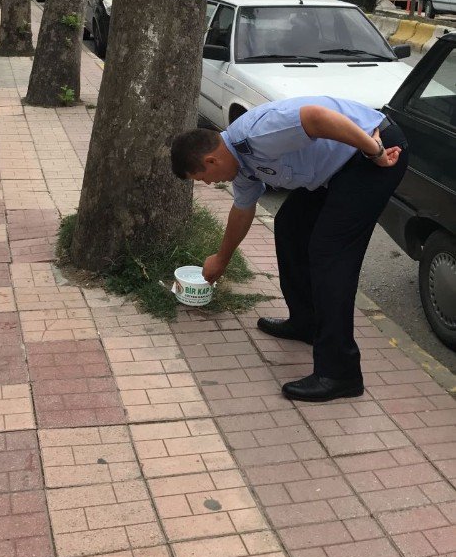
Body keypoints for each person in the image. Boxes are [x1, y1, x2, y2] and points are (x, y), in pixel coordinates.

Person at [170, 97, 408, 403]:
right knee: (290, 227)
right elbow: (242, 210)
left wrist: (373, 151)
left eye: (201, 178)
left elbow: (316, 117)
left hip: (373, 151)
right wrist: (221, 259)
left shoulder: (258, 134)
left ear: (211, 161)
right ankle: (306, 323)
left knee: (329, 254)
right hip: (335, 171)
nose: (207, 184)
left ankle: (340, 373)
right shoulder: (240, 167)